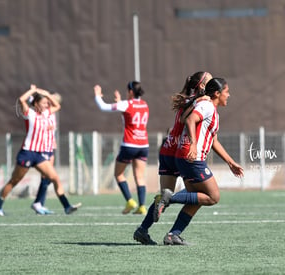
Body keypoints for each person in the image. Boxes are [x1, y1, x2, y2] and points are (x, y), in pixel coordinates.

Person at [159, 77, 244, 245]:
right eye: (227, 92)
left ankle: (173, 235)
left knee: (196, 199)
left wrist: (230, 162)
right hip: (192, 158)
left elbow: (213, 141)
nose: (229, 95)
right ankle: (169, 198)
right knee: (213, 197)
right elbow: (190, 120)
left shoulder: (212, 110)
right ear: (218, 93)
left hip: (187, 157)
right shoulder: (206, 106)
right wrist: (193, 143)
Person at [133, 71, 212, 245]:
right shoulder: (199, 101)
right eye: (210, 80)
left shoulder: (189, 99)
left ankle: (142, 230)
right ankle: (173, 234)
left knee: (164, 197)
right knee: (197, 196)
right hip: (179, 152)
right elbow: (185, 119)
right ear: (202, 86)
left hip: (168, 150)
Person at [0, 85, 81, 216]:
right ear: (36, 103)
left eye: (47, 103)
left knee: (54, 178)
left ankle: (67, 206)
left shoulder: (46, 113)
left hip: (39, 155)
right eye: (44, 102)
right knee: (14, 181)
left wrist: (46, 93)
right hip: (27, 153)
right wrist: (33, 91)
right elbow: (22, 100)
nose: (47, 105)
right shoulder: (30, 114)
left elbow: (58, 106)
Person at [94, 81, 149, 215]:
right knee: (139, 177)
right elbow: (129, 114)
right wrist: (120, 102)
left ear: (131, 91)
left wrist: (97, 95)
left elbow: (103, 107)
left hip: (130, 144)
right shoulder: (144, 104)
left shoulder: (126, 104)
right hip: (143, 144)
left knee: (118, 174)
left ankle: (130, 200)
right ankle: (142, 206)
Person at [30, 93, 62, 215]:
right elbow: (31, 103)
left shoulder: (51, 114)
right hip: (42, 147)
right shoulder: (42, 113)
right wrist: (33, 93)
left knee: (48, 177)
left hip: (49, 147)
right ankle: (38, 203)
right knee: (47, 176)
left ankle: (39, 203)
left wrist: (52, 139)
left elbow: (51, 129)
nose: (49, 101)